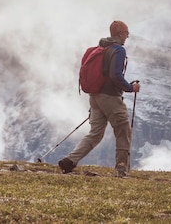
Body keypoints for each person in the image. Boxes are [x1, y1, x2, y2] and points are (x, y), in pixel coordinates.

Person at [59, 20, 140, 177]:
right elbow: (115, 75)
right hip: (110, 97)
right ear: (120, 34)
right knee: (123, 130)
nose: (127, 37)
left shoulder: (101, 47)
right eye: (126, 33)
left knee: (96, 133)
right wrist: (131, 88)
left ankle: (70, 161)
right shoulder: (119, 50)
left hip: (95, 97)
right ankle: (121, 169)